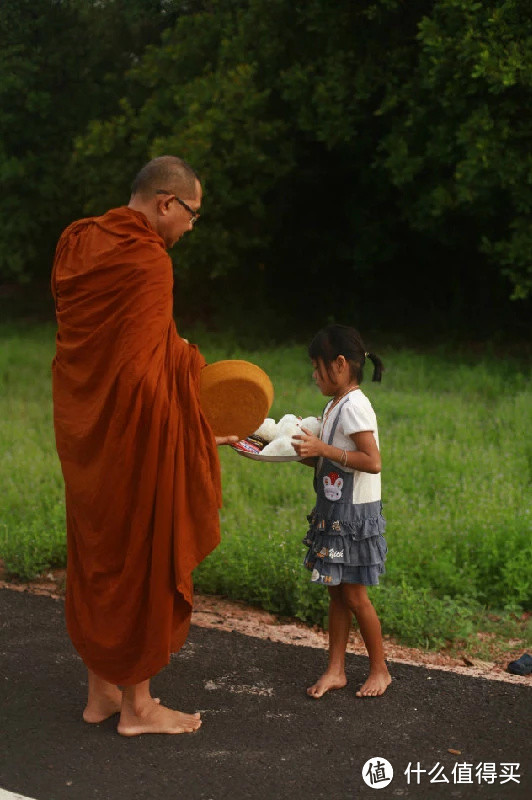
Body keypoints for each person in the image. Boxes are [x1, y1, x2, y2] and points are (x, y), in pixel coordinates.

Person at [51, 155, 237, 736]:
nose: (190, 227)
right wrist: (196, 426)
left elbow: (124, 347)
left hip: (84, 433)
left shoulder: (77, 241)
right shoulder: (148, 261)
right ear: (165, 203)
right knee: (141, 553)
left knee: (97, 551)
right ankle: (138, 706)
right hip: (133, 435)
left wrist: (174, 351)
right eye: (192, 214)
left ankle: (100, 695)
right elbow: (143, 375)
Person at [292, 324, 391, 698]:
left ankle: (380, 670)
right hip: (333, 509)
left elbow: (372, 461)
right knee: (336, 592)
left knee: (354, 596)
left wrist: (324, 450)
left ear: (339, 364)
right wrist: (297, 450)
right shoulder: (335, 404)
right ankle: (336, 670)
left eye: (318, 367)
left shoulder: (355, 406)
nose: (314, 375)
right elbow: (331, 461)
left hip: (354, 516)